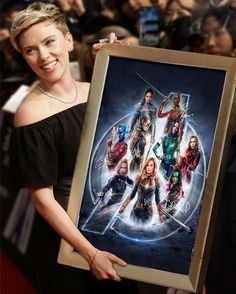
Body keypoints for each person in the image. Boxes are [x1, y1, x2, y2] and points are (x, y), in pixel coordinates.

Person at [9, 2, 138, 293]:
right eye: (30, 50)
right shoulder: (30, 113)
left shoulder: (95, 89)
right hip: (67, 245)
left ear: (68, 40)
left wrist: (118, 60)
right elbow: (43, 199)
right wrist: (90, 254)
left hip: (109, 231)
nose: (43, 56)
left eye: (49, 41)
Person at [119, 157, 163, 223]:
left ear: (154, 167)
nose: (148, 167)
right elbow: (132, 195)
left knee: (143, 231)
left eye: (151, 165)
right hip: (136, 209)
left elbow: (158, 200)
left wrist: (160, 215)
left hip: (148, 212)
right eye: (147, 165)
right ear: (145, 166)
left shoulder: (156, 181)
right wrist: (123, 207)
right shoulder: (139, 178)